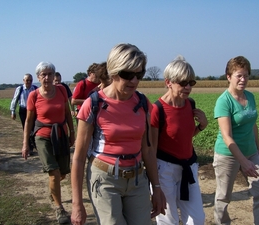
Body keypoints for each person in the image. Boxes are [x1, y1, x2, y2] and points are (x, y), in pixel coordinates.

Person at [71, 43, 166, 225]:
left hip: (137, 179)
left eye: (139, 75)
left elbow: (147, 150)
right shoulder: (94, 104)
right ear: (113, 72)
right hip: (104, 180)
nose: (134, 81)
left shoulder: (143, 103)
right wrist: (77, 204)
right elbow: (79, 157)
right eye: (128, 74)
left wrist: (157, 188)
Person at [213, 56, 259, 225]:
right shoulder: (224, 101)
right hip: (227, 155)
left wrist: (258, 150)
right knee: (223, 197)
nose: (243, 79)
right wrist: (243, 162)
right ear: (229, 76)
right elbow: (227, 136)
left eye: (246, 75)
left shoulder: (250, 97)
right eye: (239, 75)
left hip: (251, 153)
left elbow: (253, 125)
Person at [151, 55, 206, 225]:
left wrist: (201, 126)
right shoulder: (157, 109)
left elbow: (183, 137)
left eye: (191, 82)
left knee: (197, 219)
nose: (188, 87)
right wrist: (155, 185)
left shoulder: (190, 104)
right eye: (183, 83)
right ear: (168, 82)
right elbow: (151, 149)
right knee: (168, 220)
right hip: (164, 169)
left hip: (188, 168)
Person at [21, 62, 75, 224]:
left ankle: (53, 192)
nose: (47, 77)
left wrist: (72, 133)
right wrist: (25, 143)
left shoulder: (61, 90)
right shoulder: (34, 95)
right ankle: (60, 209)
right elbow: (29, 121)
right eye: (43, 74)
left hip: (60, 135)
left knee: (63, 173)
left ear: (54, 76)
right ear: (38, 77)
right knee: (54, 172)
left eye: (50, 74)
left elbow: (67, 113)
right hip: (42, 136)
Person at [10, 73, 38, 155]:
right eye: (27, 80)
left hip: (33, 111)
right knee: (26, 129)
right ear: (23, 81)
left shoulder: (35, 89)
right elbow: (14, 100)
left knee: (34, 128)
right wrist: (13, 111)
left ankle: (33, 146)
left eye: (30, 80)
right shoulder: (20, 89)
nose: (29, 82)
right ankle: (29, 148)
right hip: (23, 110)